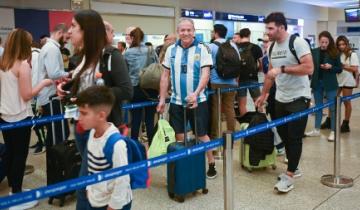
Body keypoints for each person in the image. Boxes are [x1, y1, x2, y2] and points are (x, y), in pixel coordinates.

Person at [57, 10, 133, 210]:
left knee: (89, 185)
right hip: (84, 130)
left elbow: (126, 90)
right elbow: (81, 87)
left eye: (74, 26)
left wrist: (92, 96)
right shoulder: (83, 58)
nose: (69, 31)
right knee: (95, 183)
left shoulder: (110, 55)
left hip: (103, 130)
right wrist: (66, 89)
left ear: (87, 30)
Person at [255, 12, 313, 193]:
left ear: (281, 27)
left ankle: (289, 176)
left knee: (294, 137)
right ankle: (293, 167)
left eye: (271, 28)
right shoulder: (271, 47)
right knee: (284, 134)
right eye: (267, 28)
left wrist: (282, 69)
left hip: (299, 98)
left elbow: (308, 67)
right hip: (280, 98)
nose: (268, 32)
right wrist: (263, 94)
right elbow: (269, 74)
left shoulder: (297, 42)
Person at [157, 18, 217, 179]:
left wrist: (196, 93)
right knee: (180, 135)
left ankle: (211, 163)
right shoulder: (171, 50)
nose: (185, 33)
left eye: (188, 30)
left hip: (199, 100)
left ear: (194, 31)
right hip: (176, 101)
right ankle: (186, 165)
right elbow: (165, 75)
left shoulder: (202, 49)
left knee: (201, 134)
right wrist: (162, 99)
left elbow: (206, 74)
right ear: (178, 32)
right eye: (182, 30)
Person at [0, 28, 53, 210]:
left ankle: (14, 190)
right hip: (19, 117)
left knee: (10, 153)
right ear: (24, 44)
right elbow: (26, 95)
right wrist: (44, 83)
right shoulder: (22, 65)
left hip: (5, 117)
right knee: (19, 155)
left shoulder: (3, 63)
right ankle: (17, 191)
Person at [76, 86, 132, 210]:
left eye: (84, 113)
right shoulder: (92, 133)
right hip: (96, 199)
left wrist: (113, 206)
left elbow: (122, 179)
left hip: (113, 204)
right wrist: (89, 188)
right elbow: (91, 166)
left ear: (101, 116)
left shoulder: (116, 144)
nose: (79, 118)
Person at [305, 31, 342, 141]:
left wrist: (330, 67)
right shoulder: (314, 52)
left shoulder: (334, 53)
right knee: (318, 107)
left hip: (330, 84)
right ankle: (316, 129)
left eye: (326, 42)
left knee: (333, 108)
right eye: (322, 42)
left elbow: (339, 69)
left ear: (329, 41)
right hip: (317, 83)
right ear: (318, 41)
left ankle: (333, 131)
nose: (324, 44)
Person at [124, 27, 158, 144]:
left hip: (135, 88)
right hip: (151, 88)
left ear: (132, 37)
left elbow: (125, 71)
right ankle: (152, 145)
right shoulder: (150, 50)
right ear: (143, 37)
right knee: (149, 119)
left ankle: (134, 144)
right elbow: (157, 66)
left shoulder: (128, 53)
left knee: (136, 119)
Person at [208, 24, 237, 140]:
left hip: (216, 81)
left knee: (216, 109)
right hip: (231, 82)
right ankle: (231, 135)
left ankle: (215, 136)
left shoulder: (210, 46)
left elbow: (206, 64)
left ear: (215, 33)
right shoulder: (233, 45)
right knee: (229, 108)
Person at [237, 28, 263, 117]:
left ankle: (245, 124)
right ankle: (260, 122)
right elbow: (261, 63)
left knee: (242, 104)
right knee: (257, 101)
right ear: (249, 35)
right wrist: (258, 70)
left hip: (239, 79)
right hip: (253, 78)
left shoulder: (236, 47)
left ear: (240, 36)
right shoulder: (256, 47)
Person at [336, 35, 359, 132]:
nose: (341, 46)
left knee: (346, 102)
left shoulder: (352, 54)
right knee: (333, 101)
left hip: (348, 81)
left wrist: (342, 66)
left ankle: (346, 123)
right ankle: (330, 120)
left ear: (346, 44)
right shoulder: (337, 54)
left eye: (343, 44)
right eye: (339, 44)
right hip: (337, 80)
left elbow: (355, 68)